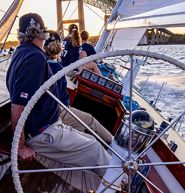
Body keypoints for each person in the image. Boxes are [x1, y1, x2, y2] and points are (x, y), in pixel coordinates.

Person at [6, 13, 110, 176]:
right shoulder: (35, 58)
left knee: (92, 140)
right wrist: (19, 146)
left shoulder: (20, 52)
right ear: (41, 34)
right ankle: (122, 185)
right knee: (95, 149)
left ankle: (115, 175)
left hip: (48, 123)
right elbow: (18, 105)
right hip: (43, 132)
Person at [44, 30, 113, 144]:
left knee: (81, 127)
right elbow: (63, 98)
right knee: (89, 120)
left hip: (47, 111)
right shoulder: (58, 69)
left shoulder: (41, 65)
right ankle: (113, 144)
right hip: (54, 112)